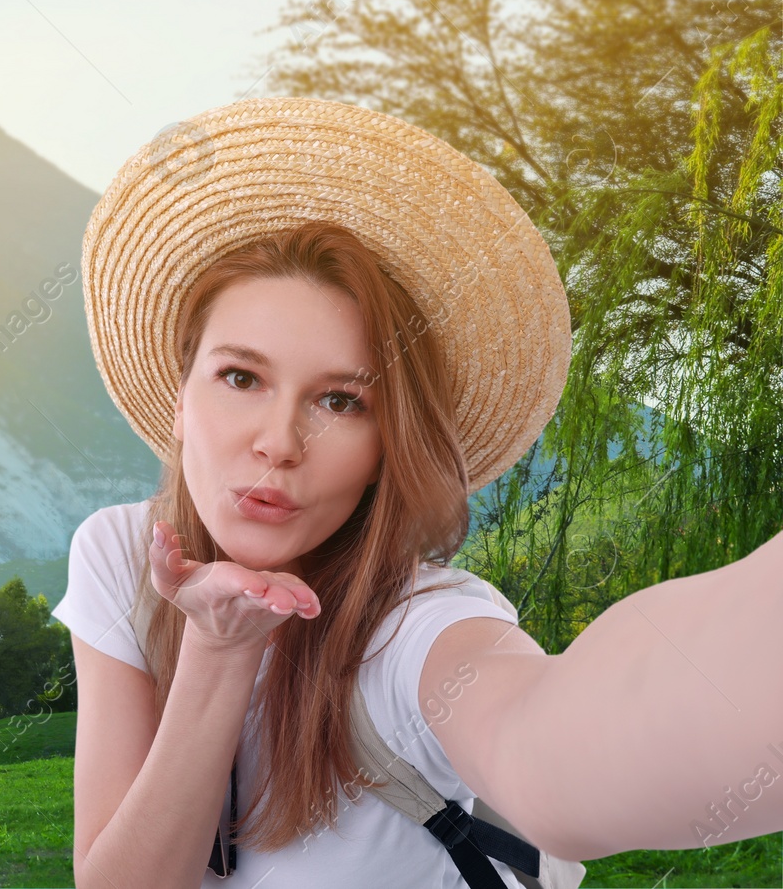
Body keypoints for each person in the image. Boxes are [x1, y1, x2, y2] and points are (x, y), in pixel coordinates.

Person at [50, 97, 783, 889]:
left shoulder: (416, 625)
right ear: (181, 395)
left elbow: (549, 754)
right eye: (240, 376)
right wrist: (218, 649)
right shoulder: (121, 554)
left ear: (384, 447)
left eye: (340, 401)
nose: (279, 441)